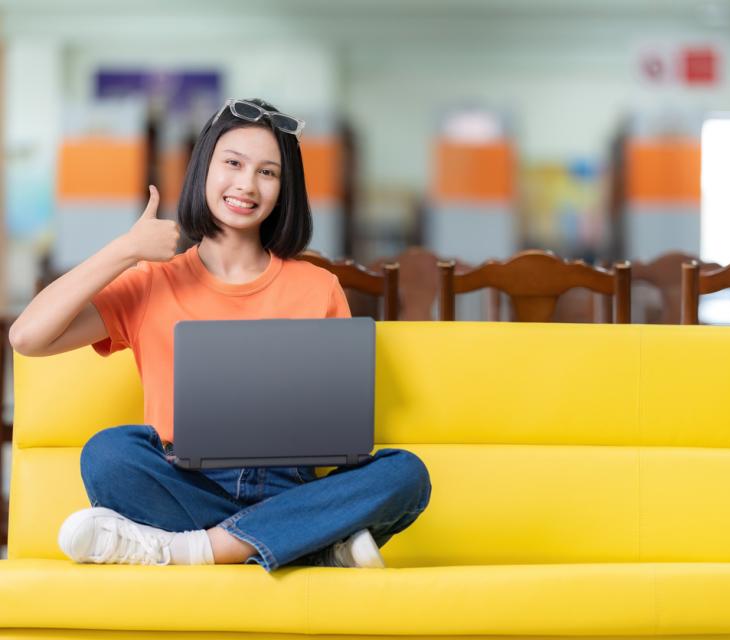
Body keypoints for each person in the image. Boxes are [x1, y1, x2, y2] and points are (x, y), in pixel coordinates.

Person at [8, 98, 431, 571]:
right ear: (203, 168)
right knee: (106, 454)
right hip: (185, 481)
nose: (247, 185)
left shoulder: (318, 287)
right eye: (233, 163)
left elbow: (338, 422)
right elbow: (28, 337)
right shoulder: (151, 280)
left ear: (284, 188)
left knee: (406, 474)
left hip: (289, 484)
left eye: (268, 173)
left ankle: (196, 549)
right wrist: (125, 249)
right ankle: (307, 544)